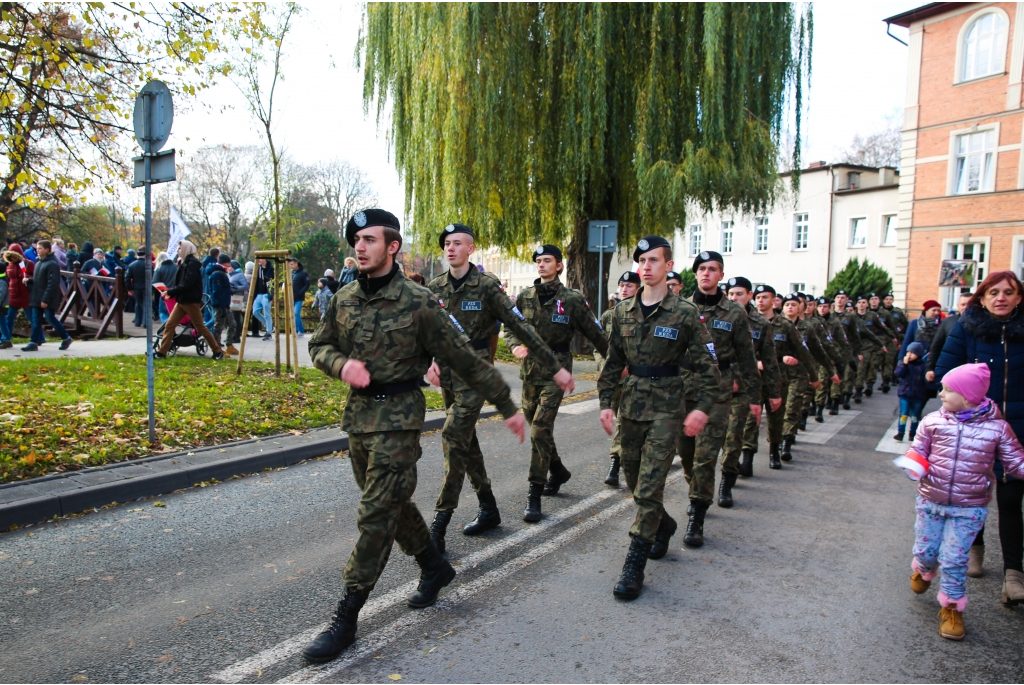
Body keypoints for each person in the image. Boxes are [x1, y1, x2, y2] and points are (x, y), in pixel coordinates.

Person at [302, 209, 526, 663]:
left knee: (375, 515)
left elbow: (464, 358)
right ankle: (434, 565)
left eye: (369, 239)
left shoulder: (419, 301)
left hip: (400, 420)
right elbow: (318, 345)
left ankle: (346, 616)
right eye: (356, 240)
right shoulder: (343, 298)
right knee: (392, 503)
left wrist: (505, 405)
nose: (359, 247)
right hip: (358, 418)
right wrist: (340, 364)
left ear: (392, 247)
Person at [424, 224, 571, 552]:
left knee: (452, 439)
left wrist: (553, 364)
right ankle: (488, 508)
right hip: (448, 374)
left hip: (476, 376)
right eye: (446, 243)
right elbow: (426, 331)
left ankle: (439, 525)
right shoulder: (434, 288)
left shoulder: (487, 286)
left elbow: (519, 325)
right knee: (467, 442)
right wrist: (428, 362)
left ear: (470, 249)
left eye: (457, 243)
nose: (450, 248)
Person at [597, 235, 720, 599]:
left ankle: (634, 564)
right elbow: (613, 362)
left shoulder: (683, 313)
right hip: (632, 405)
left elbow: (707, 368)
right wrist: (606, 402)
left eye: (653, 260)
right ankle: (662, 524)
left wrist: (700, 409)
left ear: (668, 266)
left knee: (650, 487)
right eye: (642, 261)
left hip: (668, 407)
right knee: (635, 484)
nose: (646, 267)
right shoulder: (622, 311)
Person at [904, 363, 1024, 640]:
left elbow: (1015, 461)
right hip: (930, 502)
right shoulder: (932, 421)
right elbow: (918, 449)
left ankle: (953, 608)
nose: (942, 394)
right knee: (926, 551)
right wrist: (913, 465)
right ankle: (923, 569)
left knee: (955, 559)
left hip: (969, 508)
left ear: (968, 396)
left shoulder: (998, 429)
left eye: (948, 390)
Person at [934, 271, 1024, 605]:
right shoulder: (966, 327)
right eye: (994, 292)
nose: (1001, 297)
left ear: (1018, 298)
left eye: (1009, 292)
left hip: (1017, 426)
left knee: (1012, 500)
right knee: (975, 494)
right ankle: (975, 547)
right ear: (982, 298)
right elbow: (946, 374)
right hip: (974, 430)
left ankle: (1014, 572)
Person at [504, 244, 608, 522]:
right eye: (538, 261)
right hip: (530, 371)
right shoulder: (525, 296)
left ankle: (534, 494)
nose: (541, 264)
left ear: (559, 265)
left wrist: (613, 363)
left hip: (557, 369)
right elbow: (509, 327)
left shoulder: (572, 298)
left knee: (539, 430)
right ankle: (558, 469)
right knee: (537, 426)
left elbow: (596, 333)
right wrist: (514, 345)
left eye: (547, 260)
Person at [678, 251, 758, 528]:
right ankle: (696, 490)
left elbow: (746, 357)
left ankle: (697, 515)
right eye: (701, 268)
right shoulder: (679, 307)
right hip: (683, 390)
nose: (706, 273)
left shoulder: (735, 313)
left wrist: (754, 396)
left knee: (706, 457)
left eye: (712, 269)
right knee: (686, 454)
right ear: (696, 273)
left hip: (718, 393)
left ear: (720, 275)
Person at [750, 287, 817, 467]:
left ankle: (774, 452)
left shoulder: (785, 325)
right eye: (758, 297)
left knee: (776, 418)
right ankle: (747, 459)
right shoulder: (748, 322)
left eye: (765, 297)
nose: (761, 301)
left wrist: (813, 375)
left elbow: (801, 351)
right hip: (752, 380)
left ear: (774, 300)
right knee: (750, 421)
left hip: (777, 380)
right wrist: (754, 363)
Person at [726, 277, 782, 478]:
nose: (734, 297)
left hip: (749, 385)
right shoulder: (720, 319)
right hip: (722, 383)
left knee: (745, 426)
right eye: (731, 294)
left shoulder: (760, 324)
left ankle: (744, 463)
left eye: (739, 294)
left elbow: (771, 360)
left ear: (749, 295)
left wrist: (774, 392)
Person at [596, 270, 641, 486]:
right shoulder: (608, 315)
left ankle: (615, 462)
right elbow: (597, 345)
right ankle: (627, 456)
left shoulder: (643, 315)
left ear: (638, 289)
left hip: (634, 382)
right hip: (614, 380)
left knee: (623, 422)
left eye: (629, 286)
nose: (624, 289)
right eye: (622, 285)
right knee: (622, 421)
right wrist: (605, 365)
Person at [154, 240, 224, 361]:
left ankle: (217, 351)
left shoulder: (192, 264)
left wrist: (171, 292)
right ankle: (161, 352)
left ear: (186, 249)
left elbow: (187, 283)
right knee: (170, 325)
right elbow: (182, 283)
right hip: (182, 300)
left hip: (190, 301)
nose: (178, 251)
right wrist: (172, 292)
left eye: (180, 248)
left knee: (200, 327)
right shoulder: (185, 263)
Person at [23, 240, 72, 352]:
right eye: (37, 248)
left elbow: (52, 283)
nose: (37, 250)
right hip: (37, 296)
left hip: (47, 297)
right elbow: (39, 280)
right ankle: (33, 342)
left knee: (50, 318)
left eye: (40, 248)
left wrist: (45, 299)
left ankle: (66, 337)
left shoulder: (52, 264)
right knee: (36, 320)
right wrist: (29, 281)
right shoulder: (39, 262)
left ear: (47, 249)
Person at [926, 292, 972, 380]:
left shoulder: (983, 324)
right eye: (963, 304)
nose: (966, 307)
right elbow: (936, 346)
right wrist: (930, 368)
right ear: (958, 306)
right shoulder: (948, 322)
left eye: (970, 304)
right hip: (951, 371)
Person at [894, 342, 929, 441]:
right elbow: (898, 373)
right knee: (903, 414)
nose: (909, 354)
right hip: (905, 394)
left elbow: (925, 380)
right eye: (908, 352)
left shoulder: (923, 366)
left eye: (912, 352)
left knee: (915, 415)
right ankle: (901, 432)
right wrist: (904, 365)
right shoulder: (904, 364)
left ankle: (912, 433)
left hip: (917, 395)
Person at [854, 294, 887, 400]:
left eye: (863, 302)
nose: (861, 305)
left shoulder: (872, 316)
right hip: (857, 346)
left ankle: (869, 385)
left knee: (872, 366)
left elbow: (882, 328)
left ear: (867, 304)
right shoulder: (852, 317)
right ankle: (858, 389)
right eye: (859, 302)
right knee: (860, 368)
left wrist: (891, 338)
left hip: (871, 345)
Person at [869, 292, 902, 393]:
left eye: (876, 299)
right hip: (872, 341)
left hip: (887, 340)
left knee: (887, 361)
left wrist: (898, 340)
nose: (874, 301)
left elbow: (892, 328)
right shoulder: (865, 313)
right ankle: (869, 383)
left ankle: (886, 381)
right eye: (872, 299)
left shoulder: (886, 313)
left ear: (879, 301)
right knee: (873, 363)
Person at [4, 244, 34, 345]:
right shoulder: (9, 265)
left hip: (25, 294)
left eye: (15, 256)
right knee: (9, 317)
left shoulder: (28, 264)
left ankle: (38, 337)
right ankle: (6, 338)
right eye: (11, 256)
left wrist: (28, 278)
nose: (13, 258)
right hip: (12, 294)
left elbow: (35, 277)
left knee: (31, 317)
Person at [209, 253, 238, 356]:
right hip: (219, 304)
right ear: (225, 263)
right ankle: (216, 347)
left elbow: (223, 288)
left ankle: (229, 345)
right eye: (228, 263)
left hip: (225, 304)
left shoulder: (222, 273)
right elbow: (217, 291)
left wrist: (230, 290)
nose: (230, 265)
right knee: (218, 326)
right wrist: (221, 307)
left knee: (232, 324)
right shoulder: (217, 273)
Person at [124, 248, 149, 327]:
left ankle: (138, 322)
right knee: (146, 304)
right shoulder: (148, 265)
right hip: (146, 287)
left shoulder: (132, 265)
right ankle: (145, 322)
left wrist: (129, 289)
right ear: (144, 256)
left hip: (136, 287)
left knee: (138, 304)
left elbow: (127, 278)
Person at [253, 257, 274, 340]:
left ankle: (268, 332)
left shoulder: (270, 268)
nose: (259, 261)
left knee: (267, 313)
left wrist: (271, 294)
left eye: (260, 259)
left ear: (265, 259)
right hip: (259, 293)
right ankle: (269, 326)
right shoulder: (257, 268)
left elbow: (271, 280)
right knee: (255, 311)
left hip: (266, 293)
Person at [153, 251, 178, 324]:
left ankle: (166, 325)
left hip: (165, 294)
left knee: (163, 311)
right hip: (176, 292)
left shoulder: (159, 269)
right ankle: (171, 327)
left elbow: (155, 281)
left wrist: (165, 291)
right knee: (174, 312)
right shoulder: (176, 267)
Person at [288, 258, 309, 338]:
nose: (291, 266)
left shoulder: (303, 273)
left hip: (299, 297)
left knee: (296, 313)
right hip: (292, 297)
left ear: (296, 263)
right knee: (292, 314)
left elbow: (307, 284)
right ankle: (295, 330)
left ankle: (300, 330)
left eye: (292, 264)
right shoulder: (292, 273)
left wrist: (300, 292)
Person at [228, 260, 248, 345]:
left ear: (233, 267)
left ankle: (237, 336)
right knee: (231, 317)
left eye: (230, 266)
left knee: (236, 317)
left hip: (237, 298)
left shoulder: (239, 275)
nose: (228, 267)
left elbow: (245, 285)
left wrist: (235, 288)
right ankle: (232, 336)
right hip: (231, 298)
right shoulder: (230, 275)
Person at [0, 266, 9, 349]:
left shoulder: (2, 281)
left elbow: (1, 294)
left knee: (2, 324)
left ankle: (6, 339)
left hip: (2, 306)